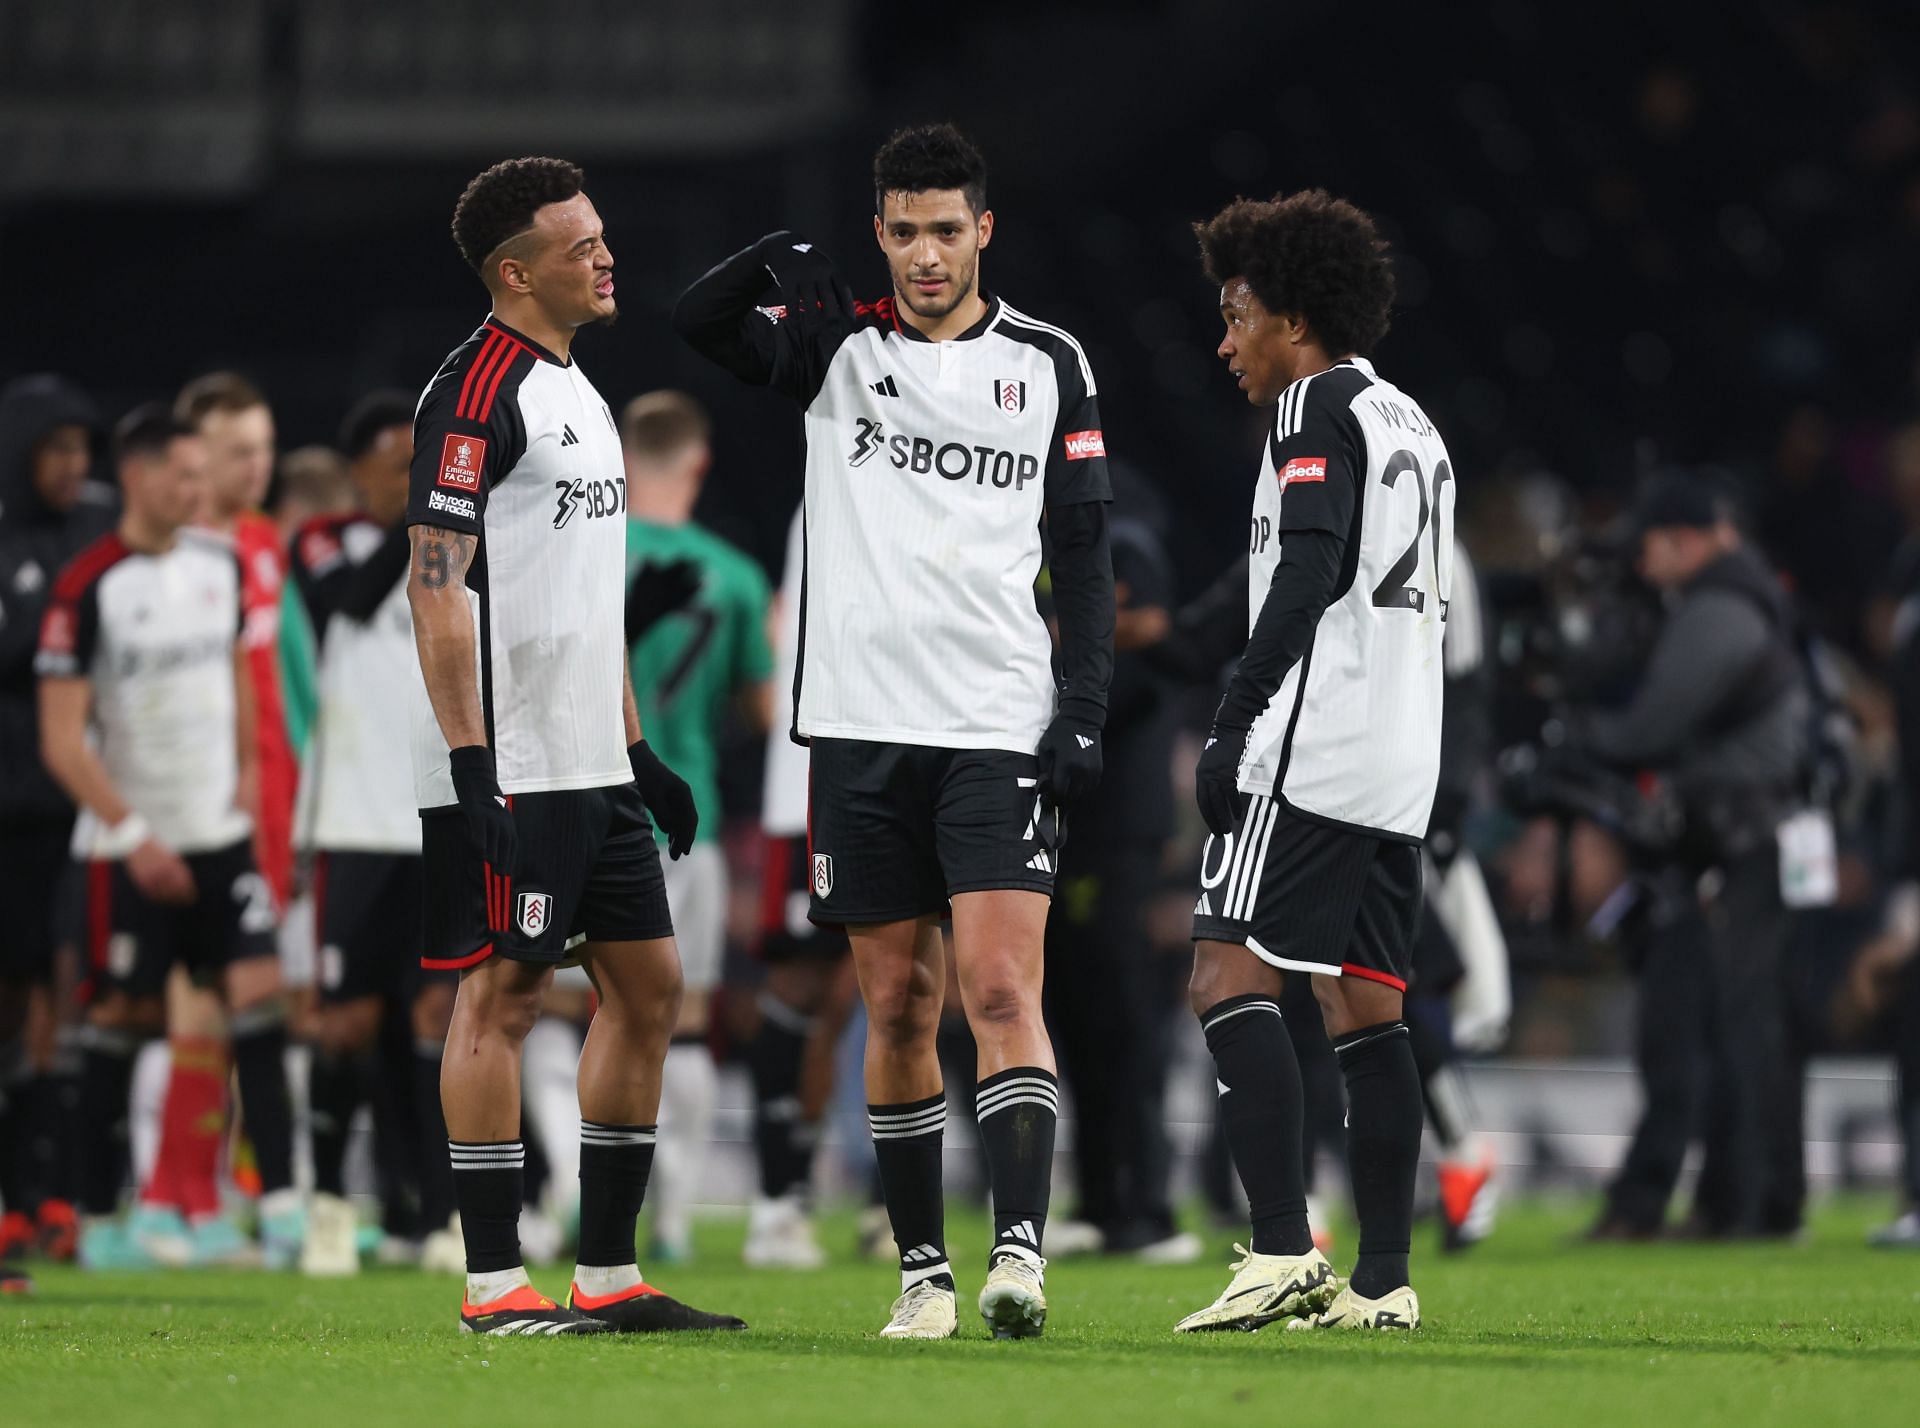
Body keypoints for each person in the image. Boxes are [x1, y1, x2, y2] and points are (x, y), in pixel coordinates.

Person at [675, 123, 1115, 1340]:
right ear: (880, 235)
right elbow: (694, 325)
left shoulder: (1050, 362)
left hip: (994, 719)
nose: (927, 254)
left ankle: (1017, 1254)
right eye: (904, 231)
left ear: (985, 230)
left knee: (996, 987)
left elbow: (1081, 562)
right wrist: (777, 256)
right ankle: (922, 1273)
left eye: (946, 229)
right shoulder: (838, 347)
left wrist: (1081, 711)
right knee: (898, 1005)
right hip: (861, 728)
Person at [406, 154, 744, 1335]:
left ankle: (607, 1272)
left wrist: (640, 750)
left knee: (648, 989)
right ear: (516, 271)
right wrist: (469, 760)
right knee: (500, 997)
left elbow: (582, 602)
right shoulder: (474, 392)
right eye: (579, 244)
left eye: (602, 235)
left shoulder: (582, 390)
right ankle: (495, 1283)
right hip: (516, 763)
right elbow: (437, 587)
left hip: (593, 757)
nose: (606, 256)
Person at [1173, 190, 1448, 1335]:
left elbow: (1315, 564)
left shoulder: (1308, 408)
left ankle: (1283, 1248)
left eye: (1238, 314)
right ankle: (1383, 1282)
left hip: (1313, 740)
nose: (1226, 340)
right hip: (1400, 758)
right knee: (1365, 1008)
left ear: (1294, 317)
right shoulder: (1413, 421)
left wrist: (1236, 714)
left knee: (1225, 974)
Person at [35, 405, 297, 1270]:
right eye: (184, 475)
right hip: (126, 848)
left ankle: (278, 1209)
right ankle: (102, 1217)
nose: (199, 490)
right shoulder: (89, 586)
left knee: (257, 1003)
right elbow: (62, 740)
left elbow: (237, 693)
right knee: (119, 1024)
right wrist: (136, 833)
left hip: (218, 837)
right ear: (141, 478)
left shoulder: (221, 566)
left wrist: (249, 805)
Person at [1579, 475, 1809, 1240]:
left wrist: (1582, 728)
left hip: (1738, 842)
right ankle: (1749, 1201)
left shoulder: (1720, 609)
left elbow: (1650, 726)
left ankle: (1745, 1204)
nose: (1643, 568)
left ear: (1684, 539)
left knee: (1735, 1026)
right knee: (1738, 1022)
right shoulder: (1753, 599)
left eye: (1649, 548)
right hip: (1751, 840)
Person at [289, 391, 458, 1275]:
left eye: (421, 461)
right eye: (399, 462)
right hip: (354, 822)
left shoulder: (456, 549)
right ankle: (324, 1206)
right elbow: (346, 605)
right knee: (347, 1022)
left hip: (435, 813)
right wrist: (421, 512)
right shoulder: (324, 544)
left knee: (436, 1019)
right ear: (358, 472)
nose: (413, 477)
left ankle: (440, 1217)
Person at [617, 390, 774, 1262]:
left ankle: (576, 1176)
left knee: (572, 1015)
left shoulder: (595, 551)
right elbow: (763, 709)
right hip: (694, 824)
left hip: (601, 815)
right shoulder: (737, 575)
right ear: (699, 462)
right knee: (685, 1020)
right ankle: (671, 1211)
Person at [0, 374, 112, 1289]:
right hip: (7, 812)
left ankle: (49, 1195)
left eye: (83, 450)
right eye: (57, 450)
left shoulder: (96, 537)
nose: (74, 468)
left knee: (60, 1011)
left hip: (74, 817)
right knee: (13, 1008)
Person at [738, 503, 848, 1270]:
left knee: (863, 996)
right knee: (800, 989)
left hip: (896, 768)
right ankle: (777, 1200)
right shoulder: (831, 479)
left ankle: (817, 1195)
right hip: (811, 781)